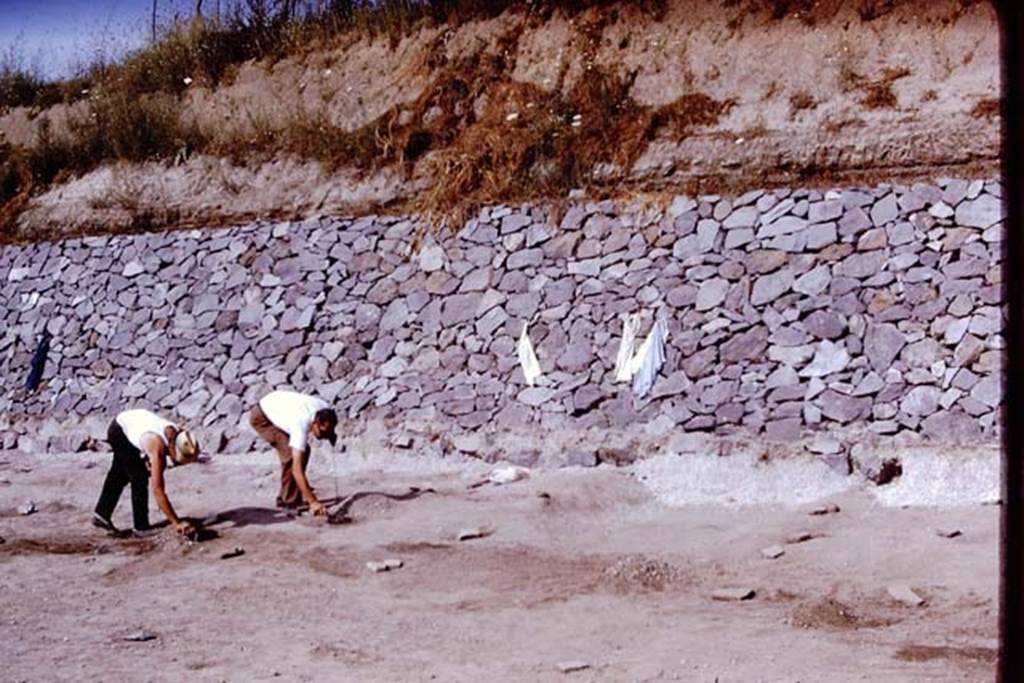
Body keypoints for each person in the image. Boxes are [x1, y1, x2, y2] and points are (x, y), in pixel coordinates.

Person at [92, 408, 201, 537]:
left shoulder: (179, 435)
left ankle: (101, 514)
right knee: (139, 477)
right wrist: (176, 522)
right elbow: (158, 491)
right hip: (120, 431)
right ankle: (141, 527)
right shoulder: (156, 445)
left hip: (132, 421)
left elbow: (165, 460)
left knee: (119, 473)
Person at [249, 389, 338, 517]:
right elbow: (297, 469)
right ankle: (288, 502)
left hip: (278, 408)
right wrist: (313, 502)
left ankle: (286, 496)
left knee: (304, 451)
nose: (324, 437)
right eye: (323, 433)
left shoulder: (325, 410)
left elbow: (327, 427)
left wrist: (330, 435)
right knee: (291, 456)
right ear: (316, 423)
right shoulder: (301, 424)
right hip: (262, 418)